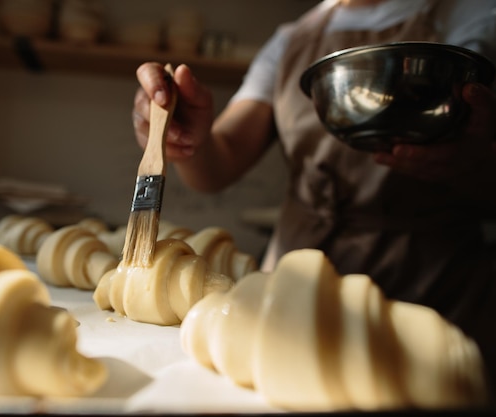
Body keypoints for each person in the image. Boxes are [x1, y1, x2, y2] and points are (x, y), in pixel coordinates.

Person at [132, 0, 496, 397]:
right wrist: (187, 137)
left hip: (432, 288)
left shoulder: (473, 17)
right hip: (290, 294)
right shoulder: (291, 40)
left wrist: (478, 163)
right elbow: (218, 164)